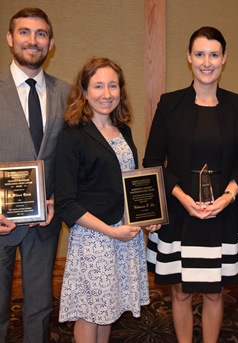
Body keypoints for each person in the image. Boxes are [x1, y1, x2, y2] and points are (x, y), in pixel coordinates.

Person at [143, 27, 238, 343]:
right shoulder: (170, 104)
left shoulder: (237, 105)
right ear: (189, 58)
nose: (207, 62)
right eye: (200, 54)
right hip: (180, 210)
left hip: (222, 211)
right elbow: (152, 161)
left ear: (224, 59)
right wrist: (181, 197)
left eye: (214, 54)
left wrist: (229, 197)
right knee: (180, 291)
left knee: (215, 291)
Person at [54, 57, 160, 343]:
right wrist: (112, 231)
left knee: (109, 310)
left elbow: (129, 183)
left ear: (121, 91)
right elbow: (66, 202)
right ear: (85, 91)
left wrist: (147, 217)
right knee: (90, 314)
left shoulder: (122, 130)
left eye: (113, 86)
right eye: (98, 86)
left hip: (125, 234)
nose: (106, 93)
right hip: (95, 239)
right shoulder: (72, 136)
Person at [0, 8, 70, 343]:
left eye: (41, 34)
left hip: (46, 220)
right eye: (24, 32)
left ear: (51, 43)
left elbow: (73, 158)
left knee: (40, 309)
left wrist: (60, 198)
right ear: (10, 38)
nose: (33, 40)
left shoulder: (68, 94)